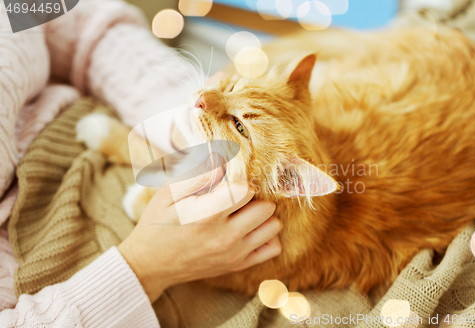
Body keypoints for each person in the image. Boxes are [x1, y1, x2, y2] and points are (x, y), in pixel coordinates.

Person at [0, 0, 281, 326]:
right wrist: (144, 268)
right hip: (74, 283)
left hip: (97, 123)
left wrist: (179, 118)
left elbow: (81, 25)